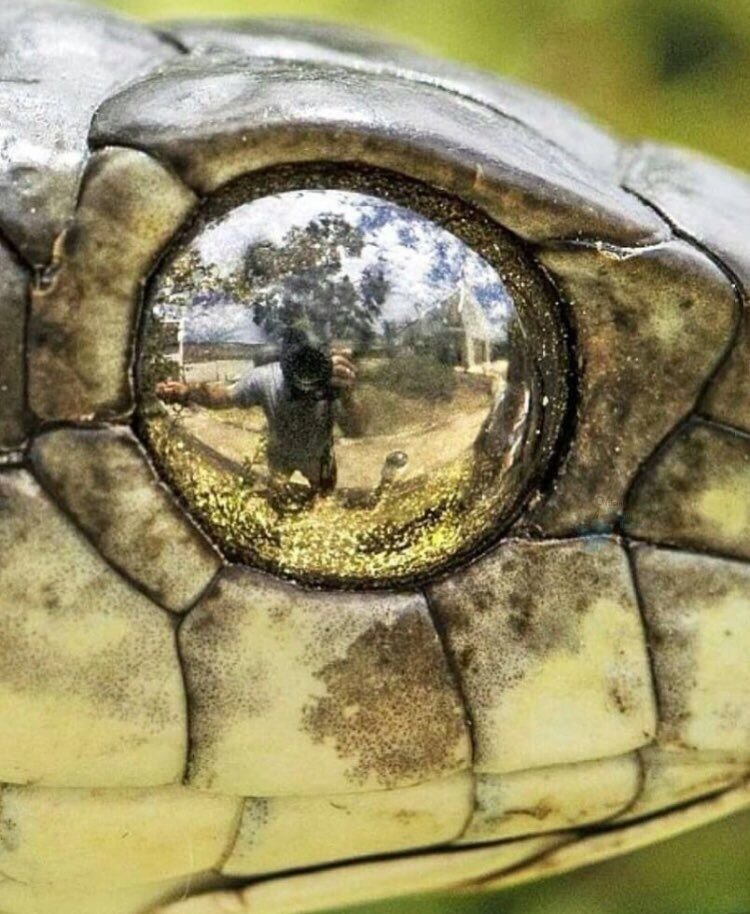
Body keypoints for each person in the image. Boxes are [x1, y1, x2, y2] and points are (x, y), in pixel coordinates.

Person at [155, 343, 367, 494]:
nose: (305, 380)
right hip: (280, 453)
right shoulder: (266, 377)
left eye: (312, 368)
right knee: (277, 494)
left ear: (322, 363)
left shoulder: (331, 383)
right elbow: (223, 397)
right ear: (287, 364)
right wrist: (186, 391)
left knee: (324, 499)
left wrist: (348, 397)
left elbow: (357, 429)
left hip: (318, 456)